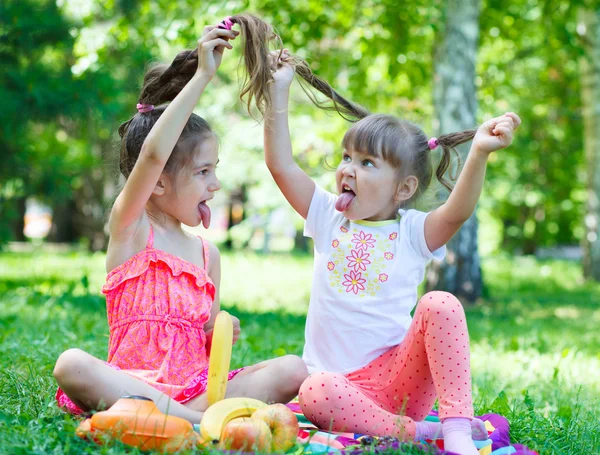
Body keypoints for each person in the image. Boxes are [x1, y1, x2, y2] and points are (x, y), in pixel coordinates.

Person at [258, 45, 520, 455]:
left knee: (441, 303)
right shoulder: (328, 215)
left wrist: (480, 153)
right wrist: (278, 90)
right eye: (348, 157)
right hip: (338, 389)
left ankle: (454, 428)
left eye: (367, 163)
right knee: (313, 389)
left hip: (400, 382)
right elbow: (280, 165)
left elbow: (456, 212)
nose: (348, 169)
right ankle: (425, 435)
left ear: (404, 189)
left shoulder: (413, 232)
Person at [53, 22, 307, 424]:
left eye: (214, 170)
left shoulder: (208, 256)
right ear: (157, 183)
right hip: (131, 385)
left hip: (196, 392)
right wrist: (204, 75)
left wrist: (221, 331)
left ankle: (179, 419)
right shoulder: (131, 230)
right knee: (71, 364)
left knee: (294, 368)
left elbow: (207, 343)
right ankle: (191, 422)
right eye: (203, 172)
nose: (216, 183)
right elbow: (152, 155)